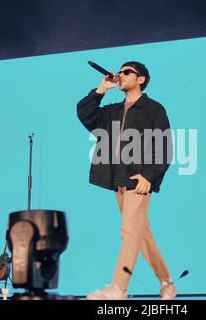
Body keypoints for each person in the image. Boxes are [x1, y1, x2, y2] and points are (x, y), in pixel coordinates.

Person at [77, 61, 176, 300]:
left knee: (129, 231)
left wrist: (149, 176)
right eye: (119, 72)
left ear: (141, 79)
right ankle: (167, 282)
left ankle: (118, 288)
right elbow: (85, 114)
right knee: (140, 234)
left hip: (139, 179)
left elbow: (165, 146)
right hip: (118, 178)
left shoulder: (153, 109)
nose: (121, 75)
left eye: (126, 72)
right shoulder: (112, 111)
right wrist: (101, 89)